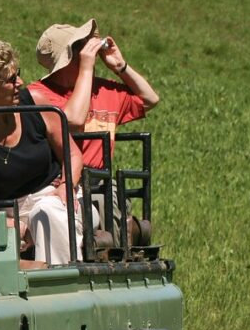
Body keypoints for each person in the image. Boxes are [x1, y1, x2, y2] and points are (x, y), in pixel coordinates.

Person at [0, 39, 93, 266]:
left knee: (47, 211)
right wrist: (18, 225)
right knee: (42, 215)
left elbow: (73, 154)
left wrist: (66, 187)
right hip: (12, 212)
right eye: (10, 79)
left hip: (57, 198)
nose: (20, 82)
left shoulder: (35, 104)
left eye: (17, 73)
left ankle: (60, 280)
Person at [27, 19, 159, 241]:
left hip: (99, 182)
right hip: (59, 183)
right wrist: (86, 68)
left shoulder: (104, 90)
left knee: (111, 198)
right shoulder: (39, 94)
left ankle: (115, 251)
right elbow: (74, 120)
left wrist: (121, 67)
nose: (90, 50)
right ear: (69, 57)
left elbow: (150, 99)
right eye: (81, 46)